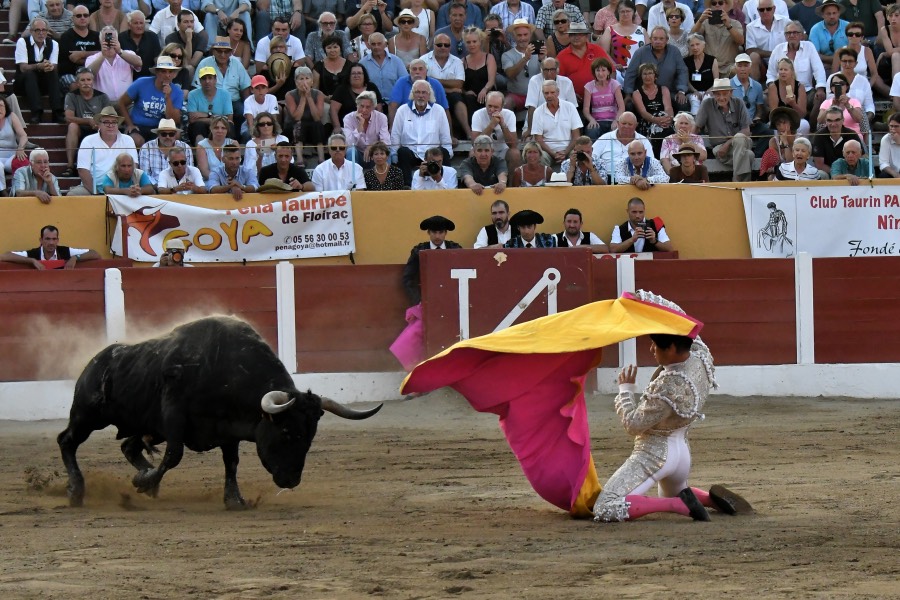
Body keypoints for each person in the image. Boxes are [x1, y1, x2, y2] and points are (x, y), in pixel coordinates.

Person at [593, 298, 750, 523]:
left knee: (606, 506)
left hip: (653, 455)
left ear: (673, 347)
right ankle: (705, 499)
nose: (652, 348)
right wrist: (645, 299)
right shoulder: (700, 355)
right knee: (670, 491)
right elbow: (680, 318)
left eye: (656, 344)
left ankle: (677, 504)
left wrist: (625, 390)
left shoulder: (669, 386)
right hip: (681, 454)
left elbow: (633, 424)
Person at [391, 79, 454, 187]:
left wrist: (448, 153)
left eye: (424, 92)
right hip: (411, 153)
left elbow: (445, 136)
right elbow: (395, 135)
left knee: (443, 152)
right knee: (402, 152)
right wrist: (394, 155)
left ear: (429, 94)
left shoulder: (438, 110)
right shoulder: (402, 110)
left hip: (432, 154)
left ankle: (446, 186)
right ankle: (406, 186)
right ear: (412, 94)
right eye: (417, 92)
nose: (421, 95)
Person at [69, 106, 138, 195]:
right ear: (99, 124)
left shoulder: (128, 140)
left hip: (121, 187)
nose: (110, 125)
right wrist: (95, 193)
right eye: (106, 122)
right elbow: (83, 170)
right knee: (73, 195)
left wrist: (123, 189)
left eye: (114, 122)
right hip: (93, 188)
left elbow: (134, 166)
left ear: (118, 124)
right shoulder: (88, 141)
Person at [695, 78, 754, 182]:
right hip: (719, 148)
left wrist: (727, 144)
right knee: (748, 155)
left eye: (725, 94)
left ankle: (735, 181)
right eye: (718, 94)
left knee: (739, 138)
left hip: (741, 143)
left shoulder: (739, 103)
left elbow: (746, 130)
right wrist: (688, 142)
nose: (721, 97)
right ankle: (744, 185)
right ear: (713, 94)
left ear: (730, 93)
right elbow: (697, 127)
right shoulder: (707, 104)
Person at [118, 55, 184, 147]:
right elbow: (121, 103)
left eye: (170, 72)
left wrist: (168, 98)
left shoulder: (177, 92)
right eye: (163, 71)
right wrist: (129, 124)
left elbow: (174, 120)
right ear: (157, 72)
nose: (167, 75)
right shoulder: (141, 83)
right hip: (138, 125)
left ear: (174, 74)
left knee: (175, 136)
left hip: (161, 128)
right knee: (136, 140)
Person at [623, 26, 689, 113]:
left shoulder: (674, 51)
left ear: (667, 39)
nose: (658, 41)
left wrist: (681, 91)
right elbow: (630, 73)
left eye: (661, 39)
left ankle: (679, 126)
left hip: (669, 92)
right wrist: (628, 94)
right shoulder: (640, 52)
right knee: (629, 105)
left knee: (683, 103)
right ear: (650, 39)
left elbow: (682, 71)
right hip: (644, 93)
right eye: (655, 38)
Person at [766, 20, 827, 114]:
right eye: (788, 33)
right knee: (764, 97)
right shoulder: (778, 49)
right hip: (781, 90)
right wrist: (773, 87)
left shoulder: (809, 47)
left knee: (819, 97)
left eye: (795, 32)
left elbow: (818, 69)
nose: (792, 35)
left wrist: (820, 88)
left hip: (806, 91)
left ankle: (813, 126)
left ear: (801, 35)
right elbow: (771, 73)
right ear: (785, 36)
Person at [402, 215, 463, 305]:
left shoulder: (455, 249)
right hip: (427, 297)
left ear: (445, 233)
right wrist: (419, 300)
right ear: (428, 232)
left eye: (441, 232)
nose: (437, 236)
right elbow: (408, 278)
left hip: (451, 297)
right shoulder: (418, 250)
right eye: (434, 232)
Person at [16, 16, 64, 124]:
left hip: (42, 83)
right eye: (37, 30)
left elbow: (54, 65)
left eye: (44, 30)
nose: (41, 33)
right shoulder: (22, 42)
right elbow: (23, 68)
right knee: (29, 74)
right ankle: (36, 112)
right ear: (31, 31)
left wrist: (49, 66)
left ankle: (57, 112)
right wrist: (39, 66)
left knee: (52, 72)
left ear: (47, 31)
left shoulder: (54, 44)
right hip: (22, 83)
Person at [422, 32, 470, 141]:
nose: (443, 47)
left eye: (446, 45)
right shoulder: (423, 60)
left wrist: (433, 80)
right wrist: (450, 87)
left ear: (450, 47)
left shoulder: (457, 61)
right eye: (439, 45)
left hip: (451, 95)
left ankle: (468, 132)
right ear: (433, 46)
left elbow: (459, 84)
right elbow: (424, 83)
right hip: (430, 94)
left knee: (458, 99)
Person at [193, 36, 251, 120]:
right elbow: (197, 86)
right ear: (213, 51)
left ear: (231, 52)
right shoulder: (205, 63)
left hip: (233, 100)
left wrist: (248, 106)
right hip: (211, 101)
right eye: (219, 51)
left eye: (226, 51)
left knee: (242, 112)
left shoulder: (237, 63)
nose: (223, 55)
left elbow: (245, 87)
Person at [0, 225, 100, 270]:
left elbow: (95, 253)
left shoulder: (66, 251)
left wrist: (75, 258)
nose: (51, 242)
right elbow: (4, 256)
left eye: (54, 239)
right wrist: (32, 261)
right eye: (47, 239)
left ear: (57, 240)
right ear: (41, 240)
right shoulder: (33, 253)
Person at [531, 79, 582, 165]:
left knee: (577, 155)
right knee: (539, 157)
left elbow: (576, 136)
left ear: (558, 92)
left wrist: (566, 152)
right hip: (547, 151)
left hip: (568, 149)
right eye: (546, 93)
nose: (549, 96)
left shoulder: (570, 107)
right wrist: (553, 154)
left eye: (552, 92)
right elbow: (538, 139)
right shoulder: (538, 111)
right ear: (543, 94)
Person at [524, 58, 578, 136]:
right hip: (538, 120)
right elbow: (531, 107)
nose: (549, 73)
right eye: (546, 70)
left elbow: (573, 109)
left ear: (557, 70)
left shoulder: (567, 82)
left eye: (552, 69)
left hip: (562, 121)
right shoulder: (534, 81)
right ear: (541, 70)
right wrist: (530, 130)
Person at [87, 26, 143, 101]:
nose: (109, 41)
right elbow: (89, 74)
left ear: (117, 40)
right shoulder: (92, 58)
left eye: (112, 38)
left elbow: (139, 63)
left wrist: (119, 51)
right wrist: (103, 56)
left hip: (125, 102)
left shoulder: (128, 54)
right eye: (106, 38)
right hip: (103, 104)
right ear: (100, 41)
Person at [285, 66, 326, 165]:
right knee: (298, 124)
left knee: (318, 124)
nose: (304, 82)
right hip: (295, 126)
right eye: (301, 79)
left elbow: (317, 117)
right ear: (296, 82)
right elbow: (296, 117)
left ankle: (321, 158)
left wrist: (309, 97)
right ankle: (300, 160)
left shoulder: (319, 94)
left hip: (313, 125)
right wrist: (303, 97)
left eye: (307, 78)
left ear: (312, 81)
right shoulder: (290, 95)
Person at [730, 52, 769, 157]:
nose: (743, 69)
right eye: (740, 65)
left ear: (750, 68)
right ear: (735, 68)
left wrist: (757, 117)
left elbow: (759, 108)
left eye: (746, 65)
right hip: (734, 124)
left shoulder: (757, 86)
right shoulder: (728, 85)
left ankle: (756, 155)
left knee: (768, 131)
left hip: (751, 123)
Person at [470, 91, 519, 172]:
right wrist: (491, 125)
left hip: (503, 150)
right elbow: (475, 143)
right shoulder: (477, 114)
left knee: (515, 153)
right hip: (484, 150)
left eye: (496, 107)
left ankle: (511, 184)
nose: (491, 109)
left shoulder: (509, 115)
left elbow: (513, 144)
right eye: (489, 106)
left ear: (502, 106)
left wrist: (503, 124)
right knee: (472, 153)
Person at [57, 5, 102, 94]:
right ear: (72, 18)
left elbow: (103, 53)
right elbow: (74, 58)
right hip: (71, 73)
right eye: (78, 15)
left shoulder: (97, 36)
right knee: (76, 84)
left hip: (93, 72)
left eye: (85, 15)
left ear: (89, 18)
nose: (82, 18)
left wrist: (82, 54)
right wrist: (94, 56)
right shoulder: (66, 36)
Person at [632, 62, 674, 157]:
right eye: (645, 74)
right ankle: (660, 157)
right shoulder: (636, 93)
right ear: (641, 76)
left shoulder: (663, 89)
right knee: (658, 131)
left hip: (664, 120)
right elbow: (643, 112)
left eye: (650, 73)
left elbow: (668, 108)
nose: (648, 76)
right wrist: (656, 120)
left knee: (668, 129)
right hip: (648, 121)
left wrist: (668, 119)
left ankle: (669, 157)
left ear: (655, 76)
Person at [691, 0, 744, 74]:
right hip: (708, 66)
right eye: (714, 3)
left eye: (720, 3)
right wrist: (700, 20)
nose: (717, 5)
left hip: (728, 67)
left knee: (738, 70)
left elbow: (741, 41)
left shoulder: (735, 23)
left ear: (726, 4)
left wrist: (728, 26)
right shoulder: (705, 23)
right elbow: (691, 37)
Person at [138, 118, 194, 185]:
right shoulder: (146, 148)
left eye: (171, 134)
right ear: (158, 134)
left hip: (180, 187)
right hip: (155, 188)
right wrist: (160, 187)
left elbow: (189, 173)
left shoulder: (185, 148)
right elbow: (145, 175)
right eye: (164, 134)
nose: (168, 137)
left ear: (175, 135)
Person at [502, 19, 542, 113]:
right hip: (517, 95)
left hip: (538, 95)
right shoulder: (507, 55)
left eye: (525, 34)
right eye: (519, 35)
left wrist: (543, 60)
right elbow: (510, 74)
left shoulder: (539, 52)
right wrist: (525, 58)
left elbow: (548, 77)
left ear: (530, 35)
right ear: (514, 36)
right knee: (507, 103)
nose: (522, 38)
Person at [186, 65, 234, 142]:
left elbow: (229, 119)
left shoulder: (225, 94)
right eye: (204, 79)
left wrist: (207, 115)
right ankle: (200, 149)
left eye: (210, 78)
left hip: (219, 125)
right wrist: (215, 118)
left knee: (229, 125)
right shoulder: (193, 94)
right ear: (200, 81)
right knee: (197, 126)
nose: (207, 81)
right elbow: (192, 119)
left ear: (215, 80)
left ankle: (228, 150)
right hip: (202, 127)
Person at [609, 196, 674, 253]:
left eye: (641, 212)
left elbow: (669, 249)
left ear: (644, 211)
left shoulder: (656, 225)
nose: (638, 215)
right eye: (634, 212)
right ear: (627, 211)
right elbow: (613, 249)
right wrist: (632, 240)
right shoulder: (619, 229)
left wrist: (654, 241)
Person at [343, 90, 390, 167]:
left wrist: (372, 146)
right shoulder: (348, 118)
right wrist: (359, 127)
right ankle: (352, 178)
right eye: (361, 106)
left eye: (368, 107)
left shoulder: (381, 117)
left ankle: (386, 177)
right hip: (358, 154)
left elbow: (386, 142)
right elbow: (349, 144)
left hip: (374, 154)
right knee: (351, 151)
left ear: (373, 108)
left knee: (386, 152)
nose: (364, 110)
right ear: (357, 105)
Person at [582, 56, 624, 140]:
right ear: (594, 72)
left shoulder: (614, 84)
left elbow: (621, 107)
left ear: (608, 71)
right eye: (598, 70)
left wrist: (616, 120)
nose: (600, 73)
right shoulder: (589, 86)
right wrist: (591, 120)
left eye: (603, 70)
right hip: (597, 121)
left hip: (613, 119)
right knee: (592, 131)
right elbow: (586, 109)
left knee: (617, 132)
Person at [745, 0, 788, 81]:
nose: (765, 12)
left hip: (784, 60)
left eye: (768, 9)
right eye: (761, 10)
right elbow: (750, 50)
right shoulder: (751, 27)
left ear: (774, 9)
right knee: (753, 56)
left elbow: (799, 36)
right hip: (763, 64)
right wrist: (773, 54)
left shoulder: (785, 22)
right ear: (758, 11)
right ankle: (755, 89)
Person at [812, 105, 862, 172]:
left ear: (843, 120)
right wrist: (837, 174)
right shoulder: (819, 135)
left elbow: (862, 157)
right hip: (828, 173)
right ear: (825, 122)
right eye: (830, 121)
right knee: (821, 173)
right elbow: (819, 165)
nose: (833, 124)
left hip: (851, 172)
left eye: (837, 120)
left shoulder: (851, 134)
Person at [335, 63, 384, 127]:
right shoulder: (342, 89)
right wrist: (337, 126)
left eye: (359, 73)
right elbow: (333, 110)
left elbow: (379, 108)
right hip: (348, 126)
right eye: (353, 73)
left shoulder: (372, 87)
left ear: (364, 75)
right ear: (349, 76)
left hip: (370, 126)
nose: (356, 75)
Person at [603, 1, 648, 71]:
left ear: (633, 12)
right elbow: (603, 51)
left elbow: (649, 51)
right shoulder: (610, 30)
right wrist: (613, 65)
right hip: (618, 72)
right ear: (617, 13)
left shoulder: (642, 30)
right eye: (622, 11)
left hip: (640, 71)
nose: (625, 14)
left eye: (628, 11)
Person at [816, 72, 864, 137]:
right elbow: (820, 121)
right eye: (834, 84)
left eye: (841, 84)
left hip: (852, 137)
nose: (837, 86)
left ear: (847, 86)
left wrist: (847, 105)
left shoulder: (854, 102)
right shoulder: (826, 103)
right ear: (831, 88)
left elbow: (859, 119)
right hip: (832, 137)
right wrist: (831, 107)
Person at [119, 9, 162, 80]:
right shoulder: (121, 38)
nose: (139, 26)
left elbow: (157, 59)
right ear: (129, 25)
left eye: (141, 23)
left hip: (149, 77)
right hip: (126, 78)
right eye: (136, 23)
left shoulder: (152, 37)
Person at [164, 9, 204, 82]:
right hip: (173, 67)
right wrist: (189, 39)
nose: (189, 25)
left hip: (194, 71)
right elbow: (180, 62)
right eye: (186, 22)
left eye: (191, 22)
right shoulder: (170, 38)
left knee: (190, 68)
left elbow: (192, 63)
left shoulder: (200, 38)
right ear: (178, 25)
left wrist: (189, 40)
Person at [761, 105, 800, 179]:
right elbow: (775, 164)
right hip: (781, 173)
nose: (781, 127)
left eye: (784, 123)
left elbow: (790, 162)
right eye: (778, 124)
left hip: (797, 172)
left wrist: (785, 142)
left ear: (790, 123)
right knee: (771, 177)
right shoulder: (773, 141)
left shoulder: (799, 139)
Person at [683, 33, 717, 114]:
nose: (695, 47)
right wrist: (694, 91)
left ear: (703, 45)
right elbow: (687, 81)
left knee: (707, 99)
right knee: (695, 100)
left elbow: (716, 80)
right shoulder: (686, 61)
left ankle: (706, 124)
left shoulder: (712, 60)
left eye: (697, 44)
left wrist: (710, 90)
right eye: (692, 45)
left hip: (709, 91)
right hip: (693, 92)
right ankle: (695, 123)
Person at [196, 115, 236, 179]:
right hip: (210, 181)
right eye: (216, 128)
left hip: (230, 180)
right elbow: (204, 171)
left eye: (223, 128)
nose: (220, 131)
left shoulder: (233, 144)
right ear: (211, 129)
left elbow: (236, 167)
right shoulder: (202, 145)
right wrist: (220, 180)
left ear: (227, 130)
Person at [314, 34, 352, 102]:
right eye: (329, 47)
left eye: (335, 47)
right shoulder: (318, 66)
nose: (332, 50)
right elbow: (315, 89)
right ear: (324, 49)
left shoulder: (349, 65)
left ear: (340, 48)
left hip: (346, 100)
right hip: (324, 101)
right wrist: (325, 98)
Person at [0, 95, 29, 181]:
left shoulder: (11, 116)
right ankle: (3, 192)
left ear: (6, 108)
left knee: (24, 163)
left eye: (1, 106)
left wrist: (20, 148)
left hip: (11, 156)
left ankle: (20, 189)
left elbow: (23, 135)